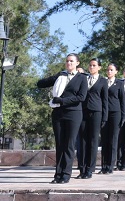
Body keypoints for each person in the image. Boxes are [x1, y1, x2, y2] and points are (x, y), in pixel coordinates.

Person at [37, 54, 88, 184]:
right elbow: (41, 84)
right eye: (67, 61)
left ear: (77, 63)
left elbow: (81, 97)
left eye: (71, 61)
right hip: (58, 113)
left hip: (73, 113)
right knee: (60, 144)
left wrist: (63, 100)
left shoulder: (82, 78)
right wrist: (55, 77)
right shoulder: (61, 76)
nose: (69, 63)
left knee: (69, 145)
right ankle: (58, 174)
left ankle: (66, 174)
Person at [77, 58, 108, 179]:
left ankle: (90, 169)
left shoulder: (103, 81)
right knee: (82, 140)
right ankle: (82, 169)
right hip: (83, 111)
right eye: (90, 65)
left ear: (99, 67)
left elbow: (105, 100)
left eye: (94, 65)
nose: (91, 67)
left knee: (93, 140)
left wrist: (104, 117)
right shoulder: (84, 78)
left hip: (96, 112)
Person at [100, 63, 125, 174]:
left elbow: (122, 101)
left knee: (113, 139)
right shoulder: (103, 82)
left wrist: (123, 115)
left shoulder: (119, 83)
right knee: (104, 140)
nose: (109, 72)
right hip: (104, 113)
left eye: (111, 70)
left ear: (116, 71)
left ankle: (110, 165)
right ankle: (104, 166)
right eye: (108, 70)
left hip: (115, 113)